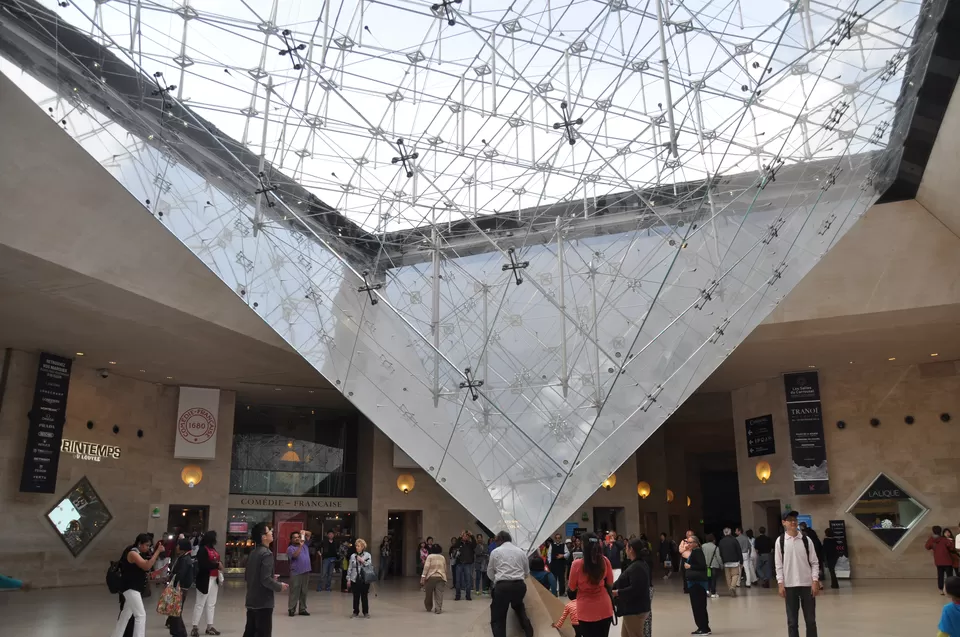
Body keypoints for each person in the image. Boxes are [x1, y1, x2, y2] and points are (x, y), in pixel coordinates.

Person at [776, 511, 820, 637]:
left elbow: (814, 562)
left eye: (795, 519)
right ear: (784, 522)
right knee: (792, 622)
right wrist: (780, 583)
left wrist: (815, 581)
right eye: (789, 520)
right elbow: (778, 565)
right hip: (789, 585)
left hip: (807, 584)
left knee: (811, 621)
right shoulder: (780, 541)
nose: (793, 522)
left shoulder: (806, 540)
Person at [110, 534, 164, 637]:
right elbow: (146, 566)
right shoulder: (132, 553)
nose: (148, 548)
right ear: (140, 544)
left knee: (125, 615)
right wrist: (157, 552)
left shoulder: (139, 553)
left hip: (133, 588)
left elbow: (141, 569)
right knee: (140, 615)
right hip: (131, 588)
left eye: (149, 546)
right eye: (147, 545)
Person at [243, 524, 287, 637]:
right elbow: (265, 579)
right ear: (264, 537)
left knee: (250, 631)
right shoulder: (267, 554)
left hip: (251, 600)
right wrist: (279, 586)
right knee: (263, 633)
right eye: (269, 531)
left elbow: (249, 575)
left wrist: (272, 577)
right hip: (263, 602)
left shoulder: (253, 553)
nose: (272, 532)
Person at [487, 530, 534, 637]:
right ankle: (529, 632)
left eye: (496, 541)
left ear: (501, 540)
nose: (495, 543)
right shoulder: (521, 552)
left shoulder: (496, 552)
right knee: (519, 607)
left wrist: (498, 581)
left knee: (498, 617)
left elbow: (490, 571)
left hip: (502, 587)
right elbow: (526, 572)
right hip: (519, 586)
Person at [568, 532, 614, 637]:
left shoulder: (577, 564)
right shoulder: (605, 561)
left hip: (585, 611)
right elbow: (610, 583)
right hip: (605, 609)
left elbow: (571, 587)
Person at [612, 537, 652, 637]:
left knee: (635, 634)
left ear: (631, 549)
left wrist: (617, 592)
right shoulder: (637, 564)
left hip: (635, 609)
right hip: (631, 609)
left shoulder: (637, 566)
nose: (625, 551)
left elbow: (636, 589)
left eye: (626, 548)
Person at [191, 531, 222, 637]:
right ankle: (195, 626)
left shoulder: (213, 549)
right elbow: (203, 564)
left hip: (214, 578)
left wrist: (217, 566)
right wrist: (217, 565)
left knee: (211, 604)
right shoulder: (202, 550)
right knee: (200, 603)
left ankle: (209, 626)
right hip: (205, 578)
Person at [166, 538, 196, 637]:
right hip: (179, 587)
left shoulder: (185, 559)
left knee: (176, 611)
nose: (177, 547)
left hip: (180, 588)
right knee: (176, 610)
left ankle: (180, 632)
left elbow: (181, 574)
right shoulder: (183, 557)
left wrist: (173, 582)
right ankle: (176, 631)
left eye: (178, 545)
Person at [683, 536, 711, 636]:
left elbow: (702, 565)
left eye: (690, 542)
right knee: (697, 606)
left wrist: (690, 566)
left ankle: (704, 628)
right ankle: (702, 626)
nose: (688, 544)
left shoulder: (697, 552)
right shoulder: (694, 552)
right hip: (694, 583)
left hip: (697, 584)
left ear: (696, 543)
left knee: (699, 606)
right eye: (688, 542)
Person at [347, 538, 373, 618]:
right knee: (356, 596)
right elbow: (350, 568)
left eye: (358, 546)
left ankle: (366, 612)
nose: (357, 547)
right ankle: (355, 612)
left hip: (364, 579)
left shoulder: (367, 555)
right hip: (355, 578)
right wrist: (348, 579)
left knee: (364, 596)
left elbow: (369, 565)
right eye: (356, 546)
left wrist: (362, 560)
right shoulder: (352, 556)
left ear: (362, 547)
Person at [286, 530, 311, 616]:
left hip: (306, 571)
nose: (297, 539)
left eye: (298, 537)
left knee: (304, 591)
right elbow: (295, 555)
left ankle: (302, 609)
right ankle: (291, 609)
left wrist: (304, 532)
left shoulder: (305, 545)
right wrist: (300, 546)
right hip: (296, 572)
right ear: (291, 539)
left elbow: (309, 534)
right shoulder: (290, 548)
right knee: (294, 591)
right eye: (294, 538)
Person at [929, 526, 957, 594]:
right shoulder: (944, 540)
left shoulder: (932, 539)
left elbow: (927, 546)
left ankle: (942, 589)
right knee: (949, 576)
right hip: (948, 561)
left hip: (939, 562)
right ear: (941, 531)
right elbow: (952, 547)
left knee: (940, 576)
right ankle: (949, 590)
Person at [421, 543, 447, 614]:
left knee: (428, 594)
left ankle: (428, 607)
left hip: (431, 577)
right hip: (440, 577)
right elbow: (445, 568)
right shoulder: (442, 557)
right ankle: (438, 609)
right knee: (439, 594)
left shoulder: (430, 556)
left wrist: (423, 577)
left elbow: (426, 567)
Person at [717, 528, 742, 597]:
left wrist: (722, 560)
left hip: (725, 561)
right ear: (730, 533)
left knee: (728, 577)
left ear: (724, 533)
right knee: (735, 575)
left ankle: (730, 589)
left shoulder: (721, 541)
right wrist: (741, 560)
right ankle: (732, 587)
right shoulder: (734, 540)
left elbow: (720, 552)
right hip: (734, 561)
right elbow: (739, 551)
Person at [456, 531, 477, 601]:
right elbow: (455, 545)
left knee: (468, 580)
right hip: (459, 564)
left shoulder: (470, 544)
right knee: (458, 580)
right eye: (463, 536)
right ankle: (457, 596)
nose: (465, 537)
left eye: (466, 536)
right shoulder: (459, 543)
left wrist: (472, 536)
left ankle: (468, 596)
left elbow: (475, 545)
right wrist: (459, 536)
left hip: (467, 564)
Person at [701, 533, 721, 598]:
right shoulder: (715, 547)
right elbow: (718, 557)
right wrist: (721, 565)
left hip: (706, 566)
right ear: (713, 540)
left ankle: (707, 590)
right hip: (714, 565)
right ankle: (713, 593)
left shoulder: (703, 546)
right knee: (713, 579)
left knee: (707, 579)